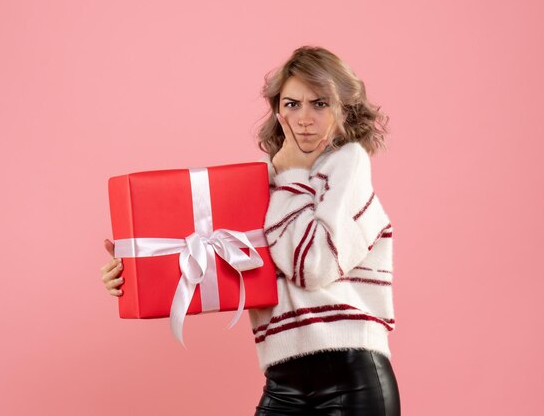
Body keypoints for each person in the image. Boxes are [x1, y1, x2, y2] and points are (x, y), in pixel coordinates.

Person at [100, 46, 400, 416]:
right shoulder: (264, 181)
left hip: (351, 378)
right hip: (283, 379)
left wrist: (290, 174)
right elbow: (227, 270)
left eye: (319, 103)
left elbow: (311, 266)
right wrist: (139, 269)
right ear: (277, 111)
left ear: (344, 110)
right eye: (292, 104)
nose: (304, 119)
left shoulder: (347, 167)